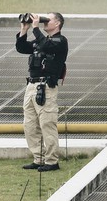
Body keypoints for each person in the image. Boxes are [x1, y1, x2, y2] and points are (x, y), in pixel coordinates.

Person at [15, 12, 68, 172]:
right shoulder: (41, 41)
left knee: (47, 124)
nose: (44, 21)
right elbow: (21, 47)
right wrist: (24, 29)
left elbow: (46, 45)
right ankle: (38, 158)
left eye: (48, 19)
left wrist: (36, 27)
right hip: (31, 87)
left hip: (46, 88)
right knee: (30, 125)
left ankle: (52, 161)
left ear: (57, 23)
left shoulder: (60, 41)